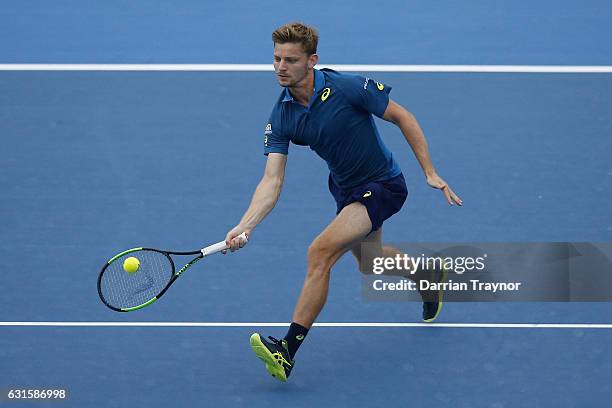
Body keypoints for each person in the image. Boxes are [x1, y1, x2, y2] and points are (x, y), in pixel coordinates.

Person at [224, 22, 462, 382]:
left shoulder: (347, 87)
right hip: (346, 189)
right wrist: (246, 225)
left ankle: (287, 350)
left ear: (312, 60)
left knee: (319, 253)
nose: (280, 67)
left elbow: (402, 116)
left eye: (290, 59)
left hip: (383, 185)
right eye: (275, 59)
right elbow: (272, 180)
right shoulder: (282, 116)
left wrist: (429, 171)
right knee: (371, 262)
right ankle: (427, 275)